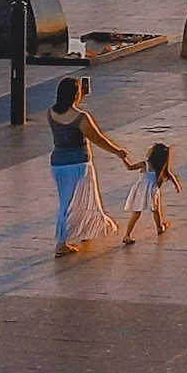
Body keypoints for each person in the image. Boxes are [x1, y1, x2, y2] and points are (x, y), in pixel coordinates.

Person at [47, 77, 133, 255]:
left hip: (58, 163)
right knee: (81, 200)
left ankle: (81, 231)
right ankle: (61, 243)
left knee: (67, 200)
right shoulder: (81, 118)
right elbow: (98, 139)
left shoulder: (51, 113)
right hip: (78, 164)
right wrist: (118, 151)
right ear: (75, 95)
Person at [121, 142, 180, 244]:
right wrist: (176, 185)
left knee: (136, 212)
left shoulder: (145, 164)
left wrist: (123, 158)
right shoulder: (161, 167)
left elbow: (129, 167)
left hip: (141, 189)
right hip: (153, 189)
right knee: (156, 210)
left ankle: (127, 235)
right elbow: (169, 175)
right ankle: (159, 227)